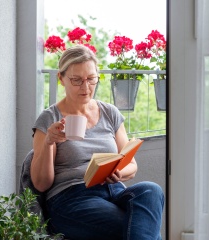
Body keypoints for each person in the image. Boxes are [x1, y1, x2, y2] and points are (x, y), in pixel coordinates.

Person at [30, 45, 164, 240]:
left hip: (114, 190)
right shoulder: (49, 119)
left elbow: (131, 166)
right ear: (61, 78)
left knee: (152, 190)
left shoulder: (110, 112)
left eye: (91, 79)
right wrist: (49, 142)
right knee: (137, 227)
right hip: (72, 197)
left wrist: (116, 172)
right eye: (76, 80)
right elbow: (41, 184)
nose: (86, 88)